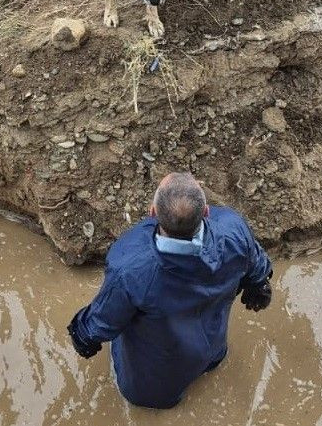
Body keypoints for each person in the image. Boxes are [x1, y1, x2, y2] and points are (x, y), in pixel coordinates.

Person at [67, 172, 273, 409]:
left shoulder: (132, 266)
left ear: (152, 212)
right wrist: (259, 288)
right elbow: (257, 269)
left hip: (155, 379)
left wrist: (81, 337)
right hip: (212, 350)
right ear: (206, 211)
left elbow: (102, 322)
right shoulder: (232, 229)